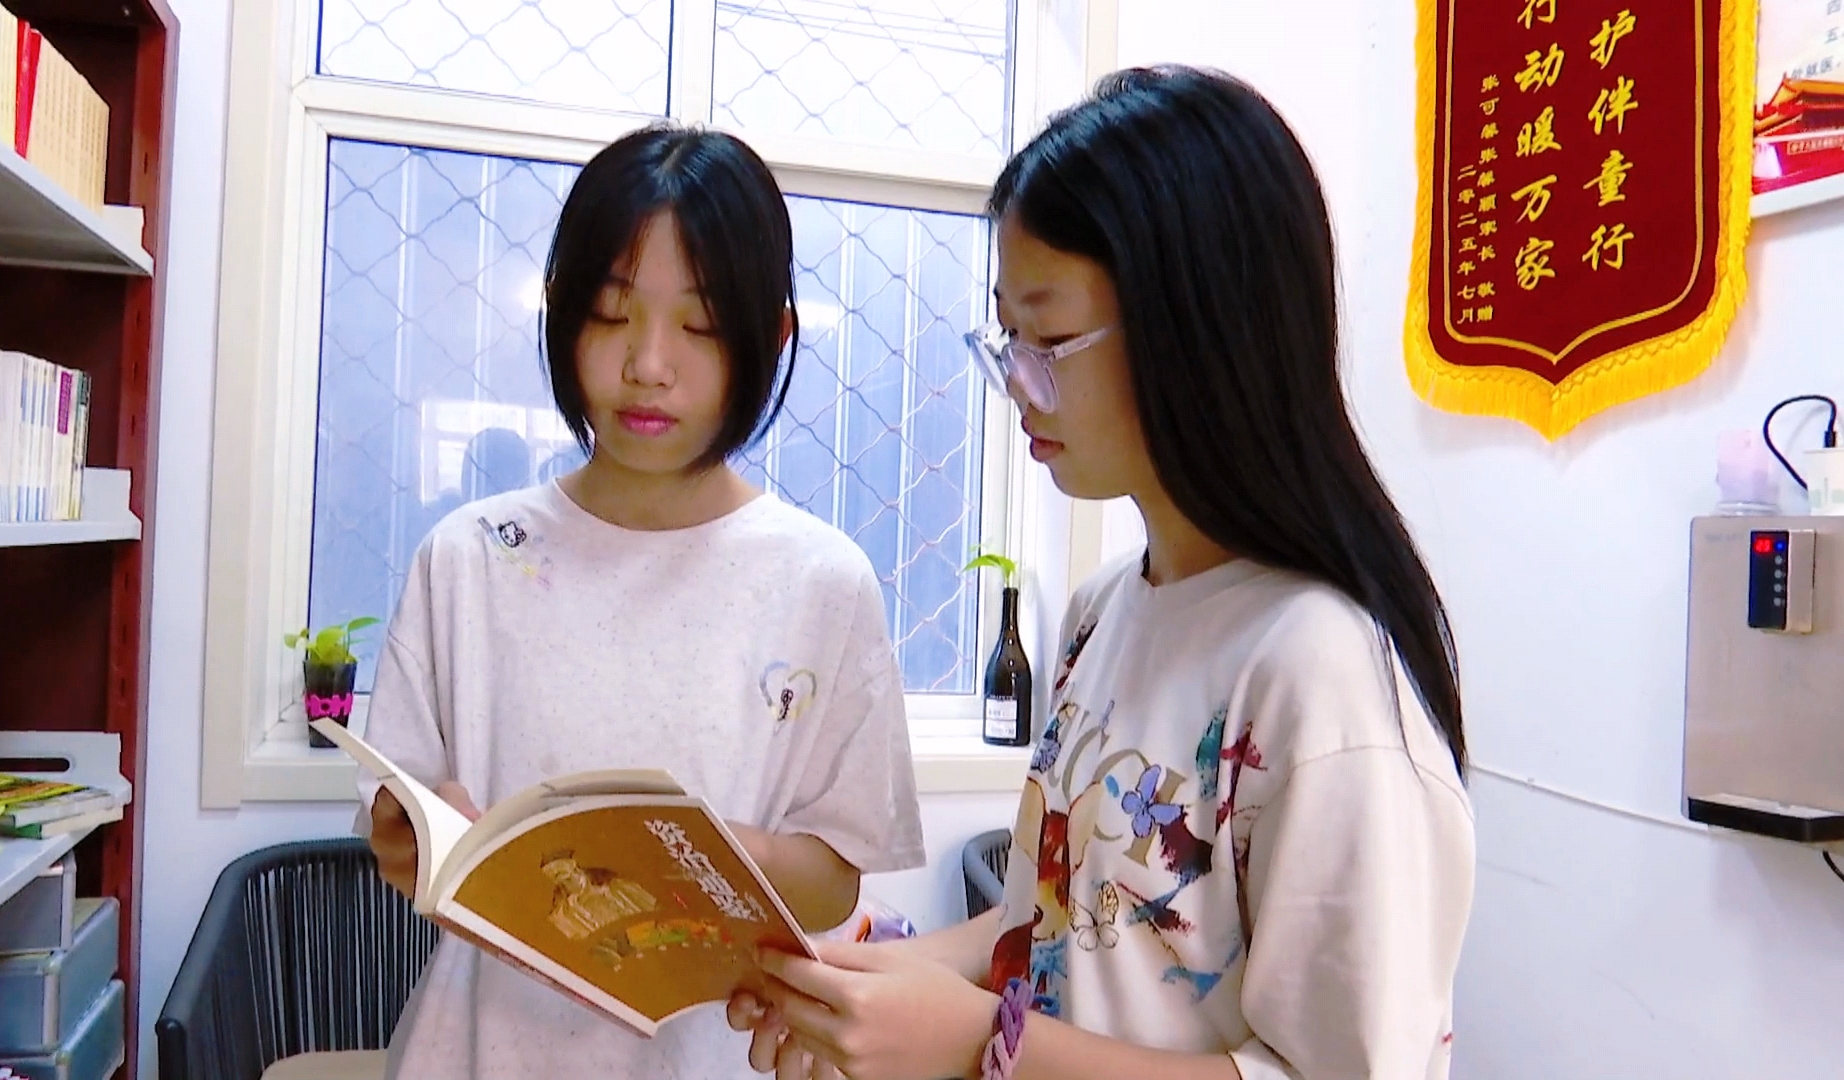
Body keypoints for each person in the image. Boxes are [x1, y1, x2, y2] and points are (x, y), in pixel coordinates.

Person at [728, 65, 1475, 1080]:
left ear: (1199, 328)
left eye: (1050, 338)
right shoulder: (1100, 612)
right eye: (1008, 337)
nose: (1017, 382)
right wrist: (861, 982)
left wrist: (979, 1042)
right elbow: (1049, 925)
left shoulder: (1319, 671)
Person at [357, 122, 926, 1079]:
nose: (649, 364)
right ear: (561, 313)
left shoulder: (821, 582)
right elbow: (398, 825)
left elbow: (834, 882)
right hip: (480, 1052)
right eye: (612, 313)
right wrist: (411, 835)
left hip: (711, 1056)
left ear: (771, 336)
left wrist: (668, 862)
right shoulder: (469, 557)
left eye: (700, 327)